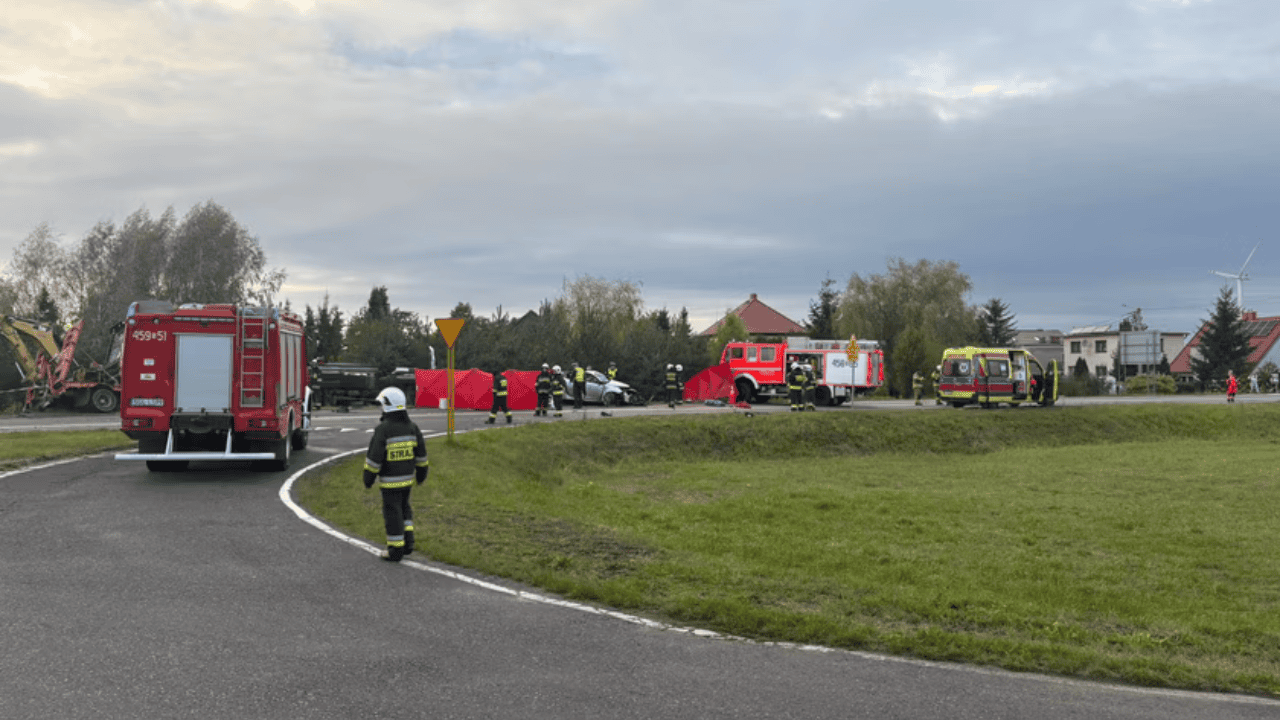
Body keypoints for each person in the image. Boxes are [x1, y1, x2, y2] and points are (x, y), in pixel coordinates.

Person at [362, 387, 429, 562]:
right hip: (407, 480)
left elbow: (374, 458)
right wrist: (422, 474)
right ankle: (408, 543)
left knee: (392, 513)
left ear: (387, 406)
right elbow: (421, 456)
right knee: (405, 509)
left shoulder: (383, 430)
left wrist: (368, 478)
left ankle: (395, 550)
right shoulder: (412, 427)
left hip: (390, 482)